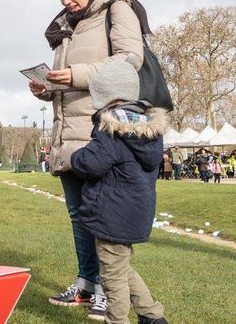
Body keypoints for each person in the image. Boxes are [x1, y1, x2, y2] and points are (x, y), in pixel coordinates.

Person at [29, 0, 147, 318]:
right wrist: (47, 89)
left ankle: (109, 293)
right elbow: (69, 85)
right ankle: (87, 283)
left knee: (103, 222)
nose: (65, 0)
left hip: (100, 136)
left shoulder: (117, 9)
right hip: (68, 134)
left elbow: (130, 60)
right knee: (79, 217)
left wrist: (75, 74)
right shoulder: (67, 27)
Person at [71, 60, 168, 324]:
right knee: (121, 267)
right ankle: (152, 315)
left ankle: (118, 320)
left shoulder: (111, 130)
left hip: (111, 213)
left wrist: (76, 155)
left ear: (105, 96)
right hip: (135, 212)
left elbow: (91, 163)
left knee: (112, 276)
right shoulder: (149, 131)